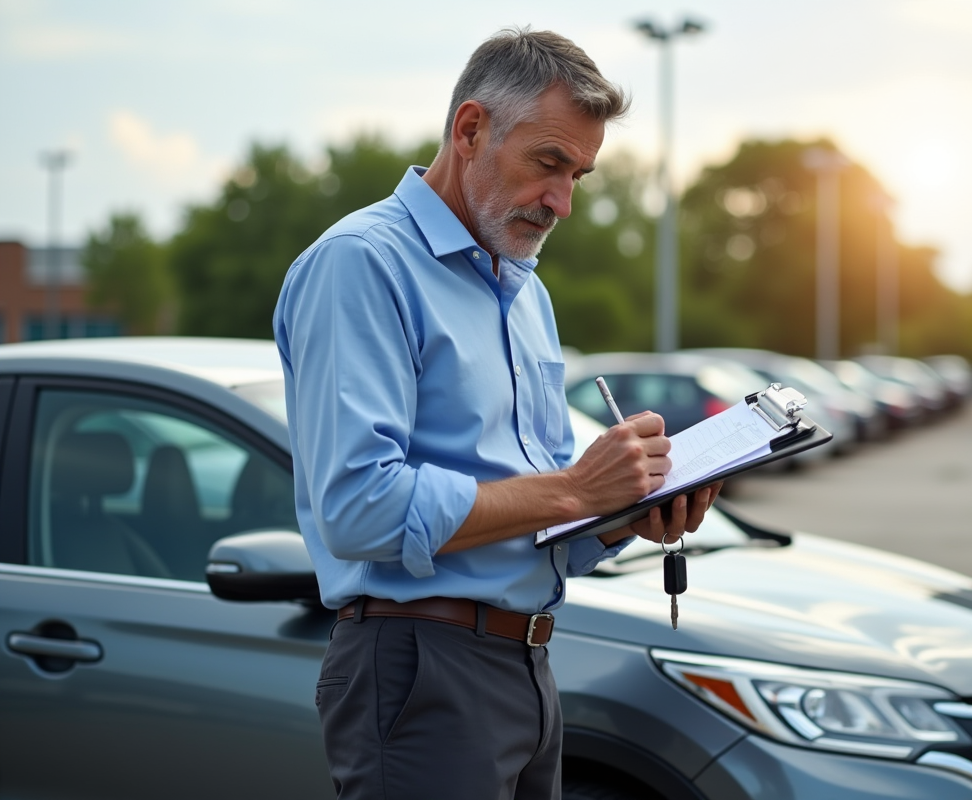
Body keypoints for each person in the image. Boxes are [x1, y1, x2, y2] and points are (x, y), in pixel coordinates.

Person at [273, 28, 720, 800]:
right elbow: (358, 508)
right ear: (471, 130)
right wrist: (578, 490)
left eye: (579, 174)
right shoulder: (361, 263)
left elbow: (538, 516)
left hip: (529, 665)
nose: (563, 202)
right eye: (547, 164)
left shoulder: (524, 290)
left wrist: (624, 513)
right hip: (419, 666)